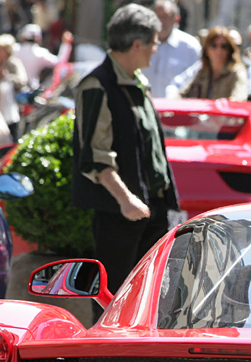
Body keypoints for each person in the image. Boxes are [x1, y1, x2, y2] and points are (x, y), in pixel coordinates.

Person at [72, 3, 179, 311]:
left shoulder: (136, 81)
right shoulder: (97, 85)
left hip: (150, 210)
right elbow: (95, 156)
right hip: (120, 212)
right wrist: (125, 199)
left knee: (148, 301)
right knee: (114, 301)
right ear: (136, 44)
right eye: (154, 41)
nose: (156, 49)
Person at [141, 0, 199, 95]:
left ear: (176, 18)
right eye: (157, 17)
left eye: (165, 17)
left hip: (177, 107)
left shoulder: (190, 47)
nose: (161, 21)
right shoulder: (141, 45)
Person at [177, 26, 248, 100]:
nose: (218, 51)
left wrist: (223, 104)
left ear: (229, 50)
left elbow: (239, 99)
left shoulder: (236, 72)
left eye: (223, 46)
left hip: (224, 111)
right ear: (206, 50)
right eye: (214, 46)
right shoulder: (203, 72)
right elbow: (182, 94)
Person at [0, 32, 27, 143]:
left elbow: (22, 81)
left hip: (11, 104)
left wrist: (8, 77)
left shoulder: (14, 64)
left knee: (13, 133)